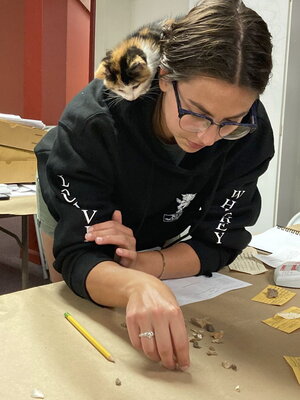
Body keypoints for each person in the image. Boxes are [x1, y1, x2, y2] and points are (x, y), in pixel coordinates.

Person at [35, 0, 274, 372]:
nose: (210, 138)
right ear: (165, 78)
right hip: (78, 182)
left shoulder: (249, 135)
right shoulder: (94, 120)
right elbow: (78, 257)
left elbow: (218, 241)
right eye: (196, 113)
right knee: (75, 311)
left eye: (231, 121)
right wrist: (134, 285)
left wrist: (146, 266)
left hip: (162, 201)